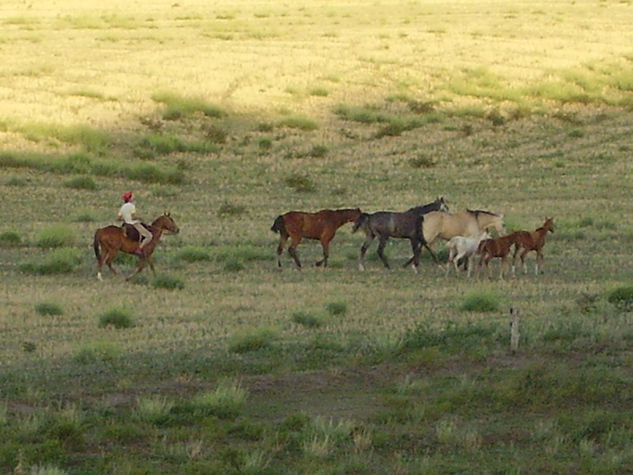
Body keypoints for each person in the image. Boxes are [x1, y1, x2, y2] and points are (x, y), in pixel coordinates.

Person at [118, 192, 152, 257]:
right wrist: (140, 218)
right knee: (149, 236)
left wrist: (126, 218)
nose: (134, 197)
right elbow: (133, 217)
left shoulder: (122, 207)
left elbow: (118, 218)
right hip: (133, 224)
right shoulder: (132, 206)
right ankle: (139, 248)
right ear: (130, 199)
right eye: (132, 197)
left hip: (125, 224)